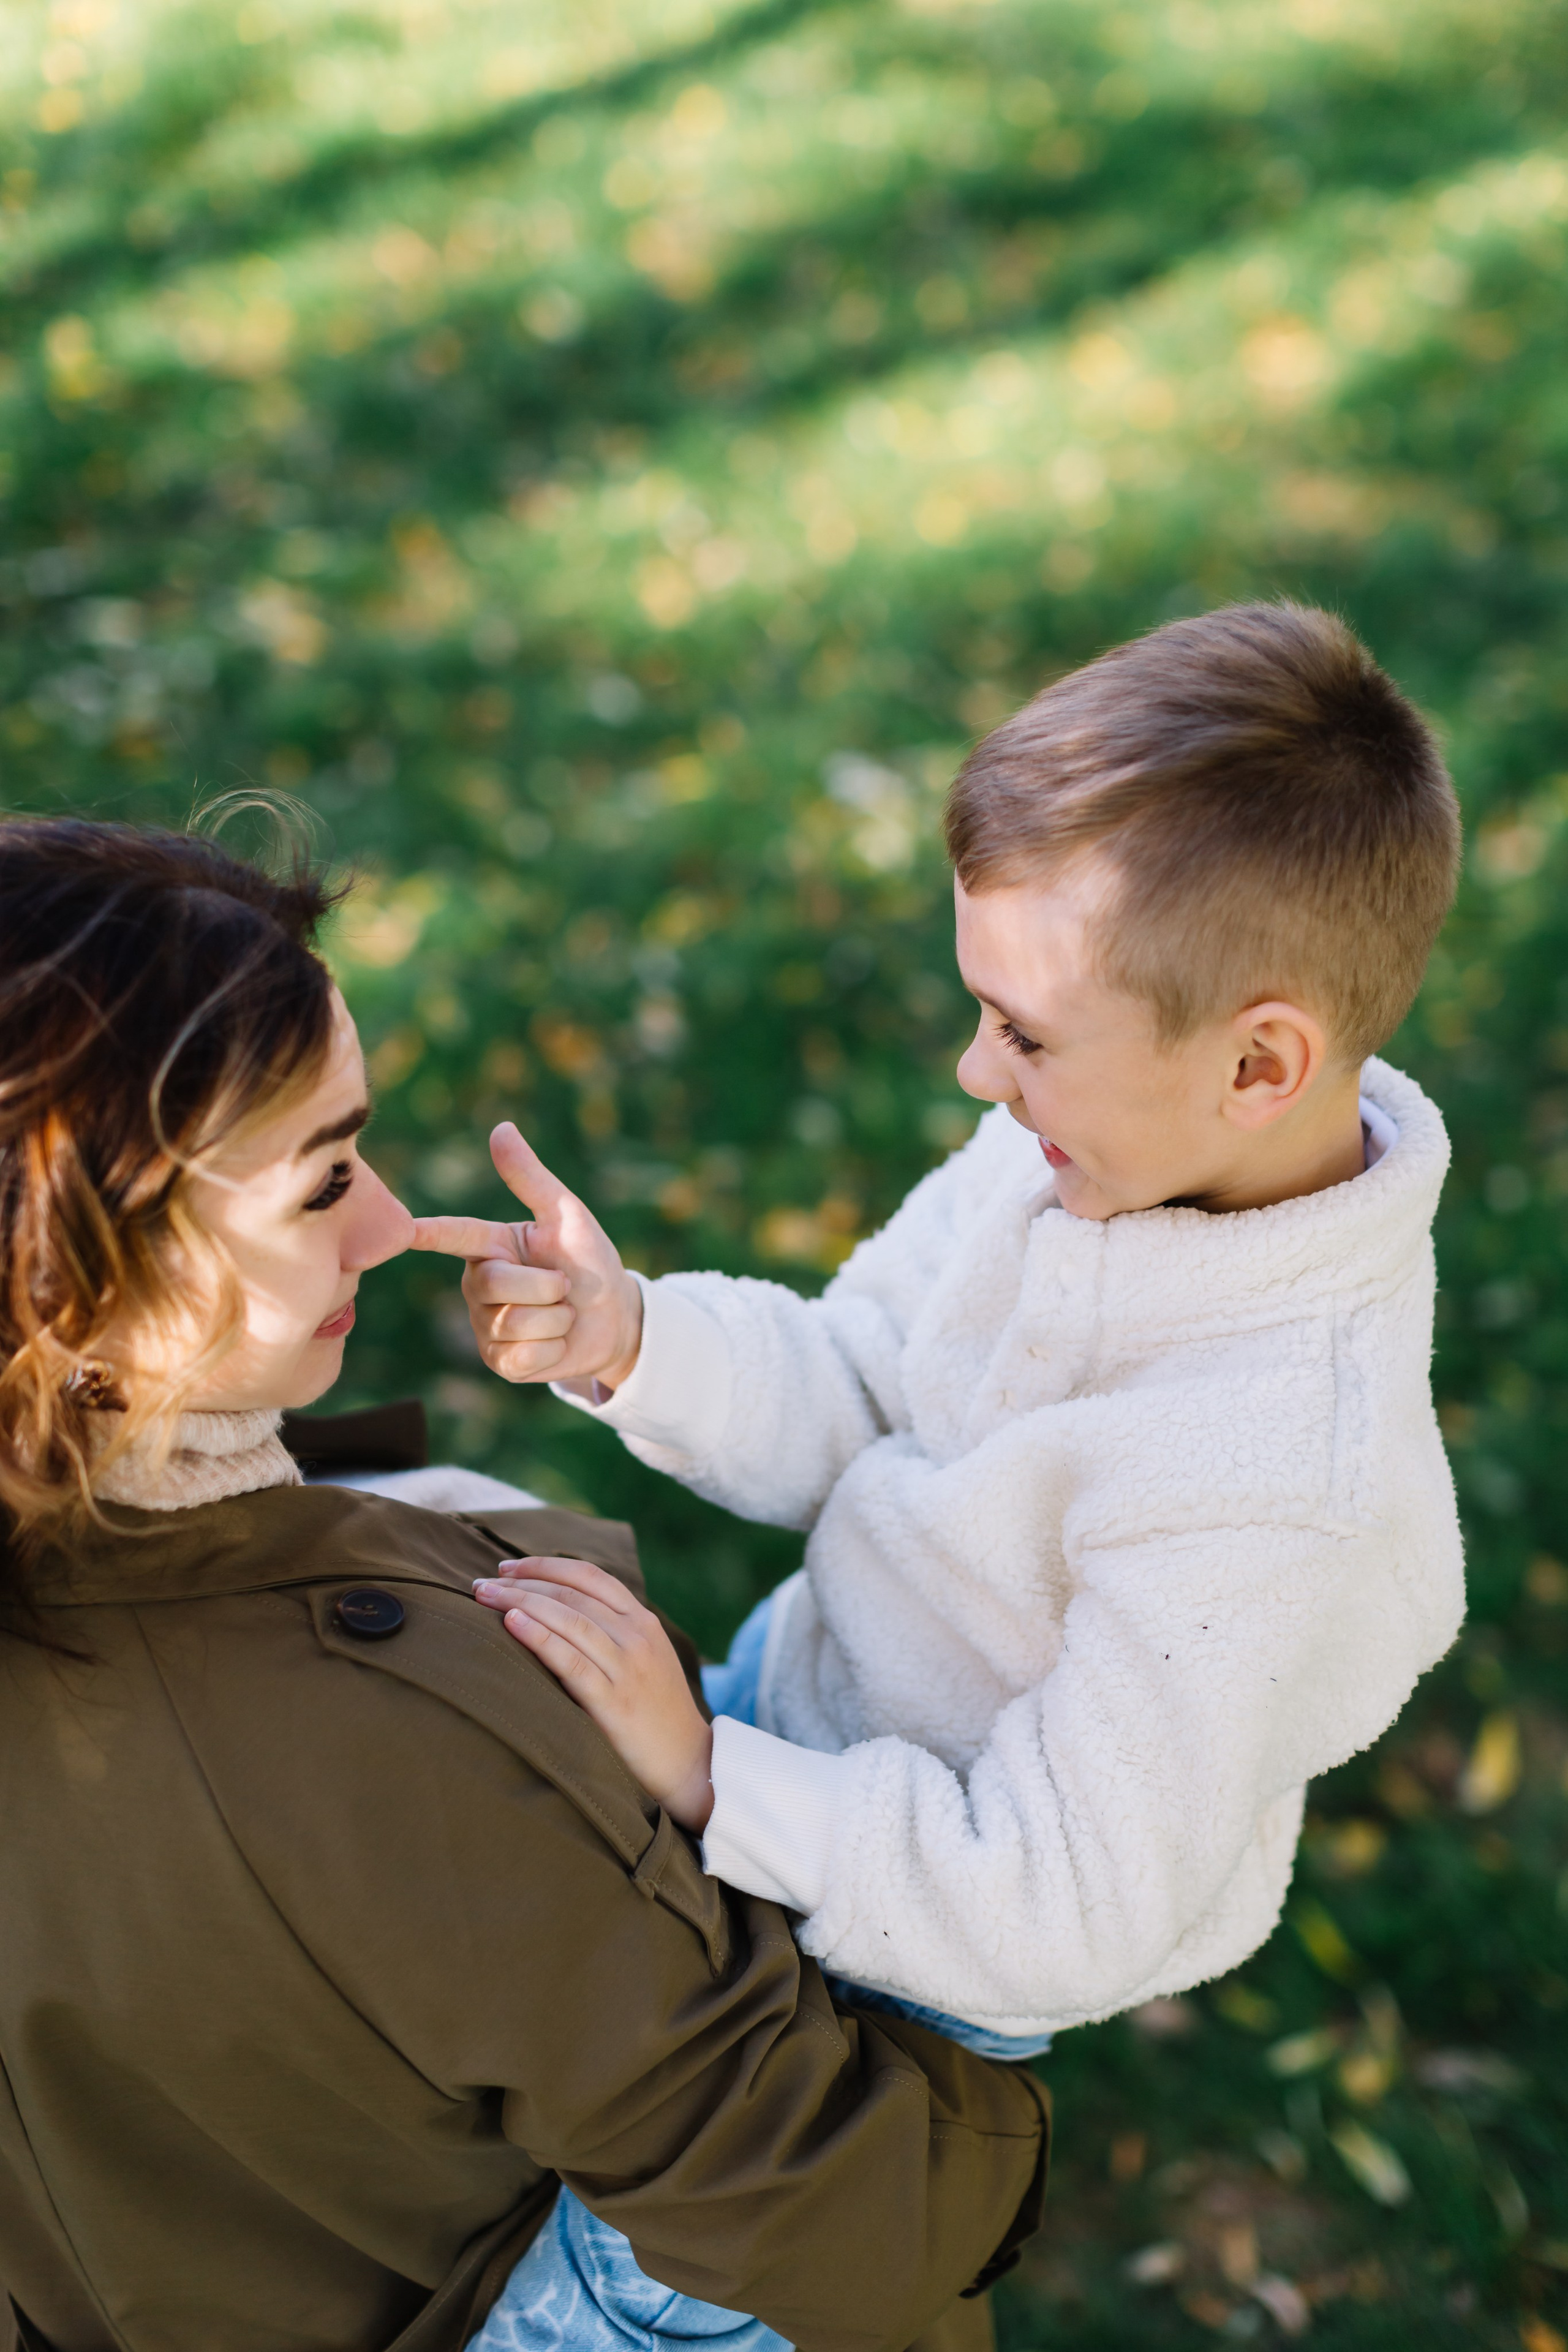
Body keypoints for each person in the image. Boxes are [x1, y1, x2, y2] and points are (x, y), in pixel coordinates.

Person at [418, 601, 1468, 2347]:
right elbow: (857, 1391)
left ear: (1260, 1061)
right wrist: (634, 1339)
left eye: (1026, 1035)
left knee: (605, 2296)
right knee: (467, 2055)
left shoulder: (1278, 1472)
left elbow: (1048, 1905)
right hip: (781, 1722)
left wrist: (708, 1781)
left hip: (892, 1998)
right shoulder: (1079, 1152)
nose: (978, 1074)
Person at [0, 819, 1048, 2352]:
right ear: (73, 1282)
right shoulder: (393, 1747)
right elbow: (809, 2198)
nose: (386, 1221)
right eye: (321, 1182)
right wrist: (990, 2059)